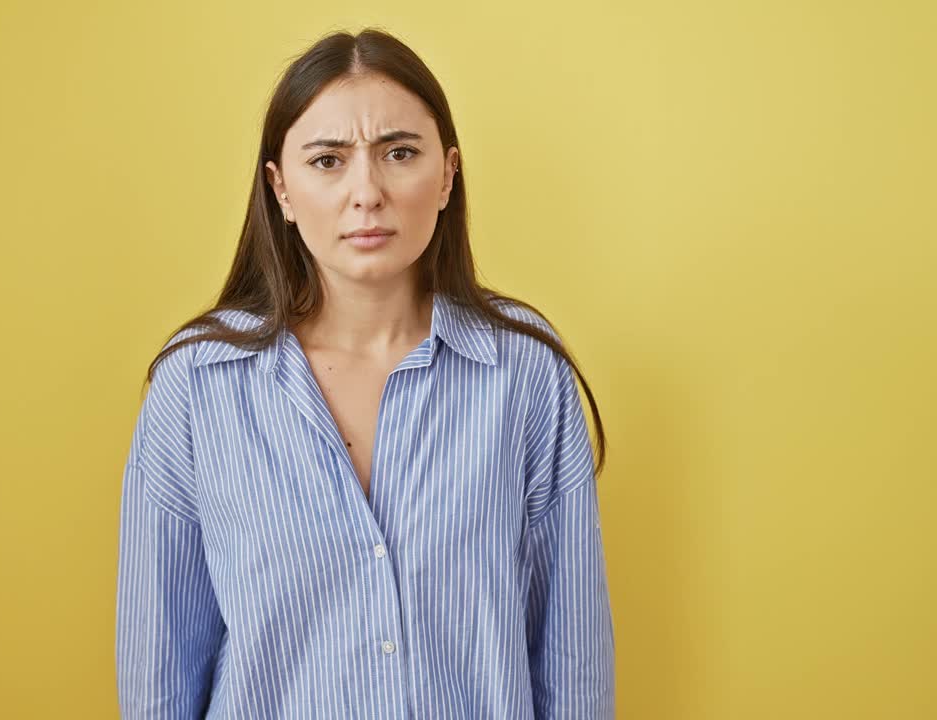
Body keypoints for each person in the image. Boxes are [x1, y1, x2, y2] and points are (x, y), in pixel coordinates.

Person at [115, 27, 615, 720]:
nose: (366, 192)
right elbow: (159, 679)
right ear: (280, 188)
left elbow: (572, 666)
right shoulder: (195, 388)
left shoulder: (525, 375)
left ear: (446, 174)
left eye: (399, 153)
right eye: (328, 160)